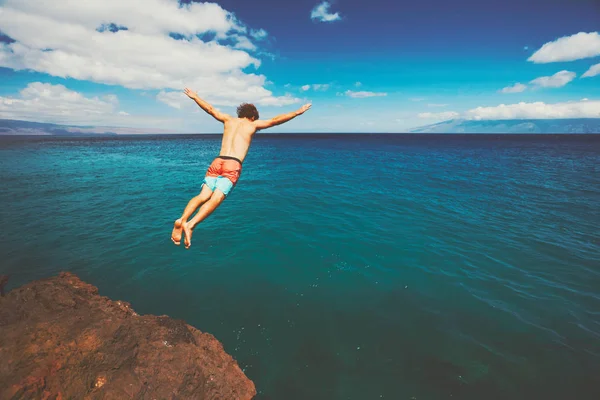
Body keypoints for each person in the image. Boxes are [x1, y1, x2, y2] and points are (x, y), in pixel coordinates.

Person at [171, 88, 312, 249]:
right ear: (252, 116)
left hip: (217, 162)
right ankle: (191, 224)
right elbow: (276, 120)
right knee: (216, 198)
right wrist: (297, 112)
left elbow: (210, 109)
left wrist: (195, 97)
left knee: (203, 195)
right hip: (233, 164)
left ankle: (182, 219)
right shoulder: (253, 124)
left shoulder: (228, 120)